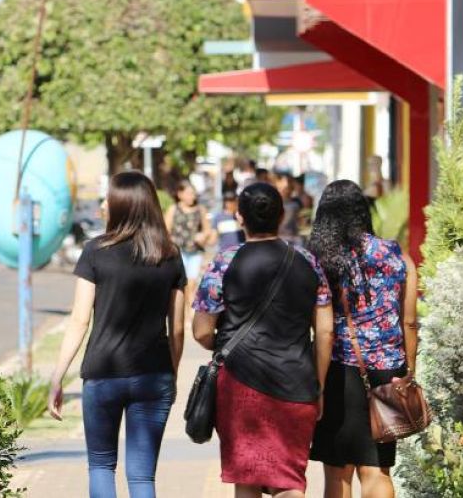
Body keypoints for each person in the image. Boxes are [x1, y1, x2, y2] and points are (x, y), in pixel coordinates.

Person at [192, 182, 335, 498]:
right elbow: (325, 331)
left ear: (239, 217)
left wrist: (224, 345)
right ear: (282, 215)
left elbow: (201, 330)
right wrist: (319, 385)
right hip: (297, 382)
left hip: (239, 385)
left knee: (247, 478)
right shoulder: (308, 261)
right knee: (290, 481)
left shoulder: (224, 262)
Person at [48, 171, 186, 498]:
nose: (102, 205)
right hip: (153, 374)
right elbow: (177, 327)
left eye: (107, 199)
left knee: (101, 465)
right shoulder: (170, 254)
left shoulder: (95, 251)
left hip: (103, 373)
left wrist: (58, 377)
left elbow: (80, 319)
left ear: (122, 205)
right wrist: (172, 373)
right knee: (142, 478)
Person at [307, 180, 419, 498]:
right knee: (377, 469)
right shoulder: (397, 255)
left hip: (336, 370)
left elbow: (317, 325)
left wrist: (315, 380)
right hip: (387, 371)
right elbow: (409, 321)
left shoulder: (320, 261)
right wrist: (408, 370)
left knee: (337, 472)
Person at [165, 180, 212, 302]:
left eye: (193, 193)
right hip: (178, 253)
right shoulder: (173, 209)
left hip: (194, 252)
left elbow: (208, 230)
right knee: (181, 286)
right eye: (189, 193)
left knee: (191, 285)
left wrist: (203, 236)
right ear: (180, 194)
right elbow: (165, 231)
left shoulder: (200, 209)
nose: (192, 196)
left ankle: (189, 316)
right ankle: (184, 315)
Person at [276, 172, 304, 246]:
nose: (287, 185)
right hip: (278, 239)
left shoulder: (296, 203)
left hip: (293, 239)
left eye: (290, 182)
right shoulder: (274, 203)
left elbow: (301, 223)